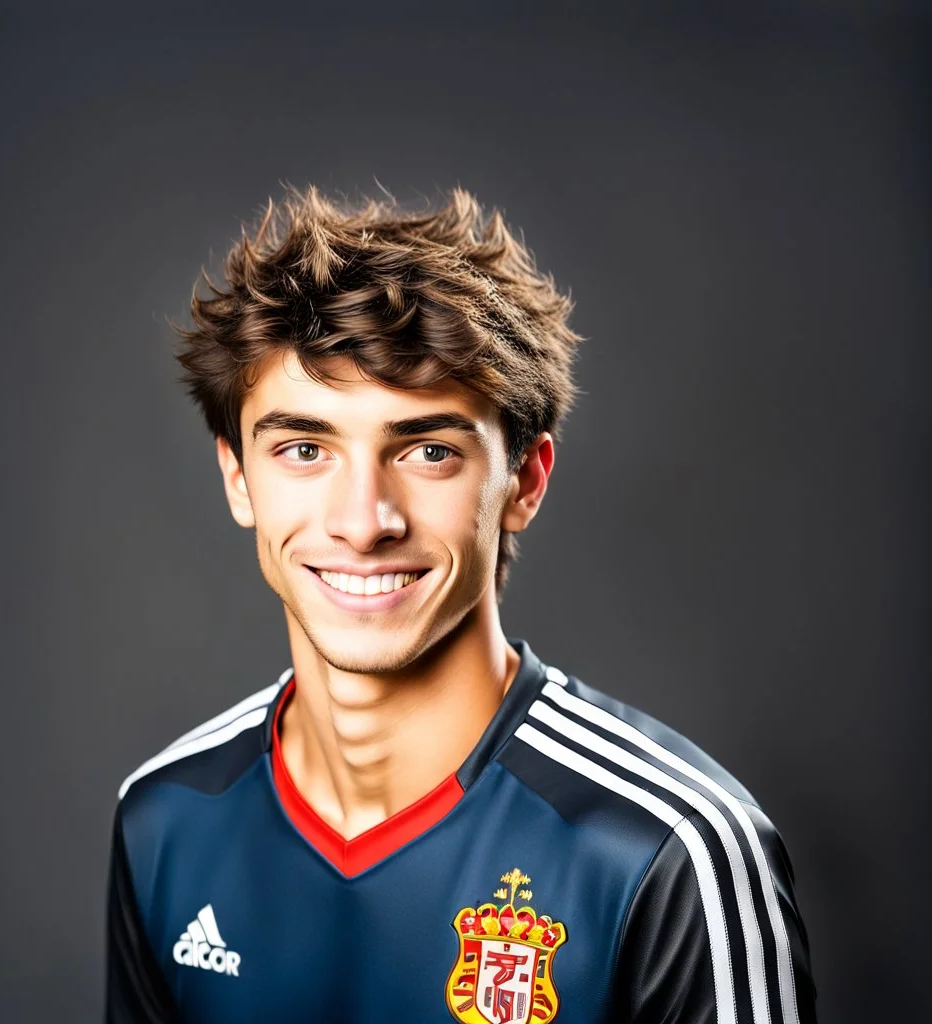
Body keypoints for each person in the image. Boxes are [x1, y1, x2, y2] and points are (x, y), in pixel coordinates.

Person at [104, 186, 817, 1024]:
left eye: (429, 451)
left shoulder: (672, 853)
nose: (363, 521)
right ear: (238, 477)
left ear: (525, 481)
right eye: (305, 449)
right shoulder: (168, 817)